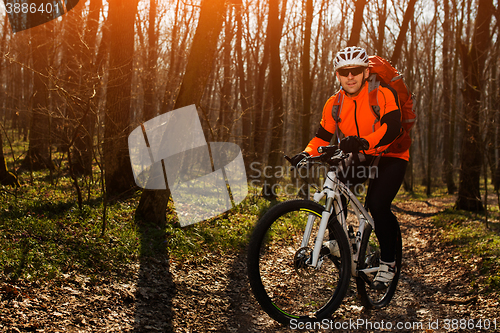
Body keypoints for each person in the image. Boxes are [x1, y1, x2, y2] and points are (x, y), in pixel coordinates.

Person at [290, 46, 409, 290]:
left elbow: (393, 126)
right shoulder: (335, 103)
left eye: (356, 70)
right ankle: (340, 241)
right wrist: (306, 153)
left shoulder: (381, 93)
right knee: (336, 184)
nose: (350, 76)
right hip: (361, 154)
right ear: (337, 75)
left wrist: (365, 141)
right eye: (344, 72)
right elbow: (322, 137)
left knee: (377, 205)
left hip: (392, 154)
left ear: (366, 72)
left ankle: (388, 262)